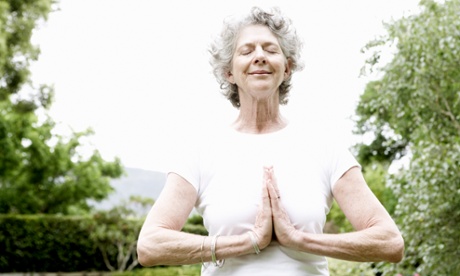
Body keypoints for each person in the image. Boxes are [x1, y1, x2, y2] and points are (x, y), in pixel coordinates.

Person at [137, 6, 404, 275]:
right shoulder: (200, 152)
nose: (260, 57)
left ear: (287, 68)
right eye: (247, 50)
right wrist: (249, 241)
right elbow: (150, 245)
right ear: (229, 71)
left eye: (271, 49)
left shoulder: (324, 147)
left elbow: (390, 242)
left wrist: (299, 240)